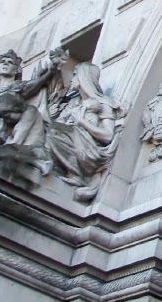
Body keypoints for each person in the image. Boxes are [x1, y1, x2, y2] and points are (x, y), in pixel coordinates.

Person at [45, 63, 126, 202]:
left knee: (52, 134)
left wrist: (82, 122)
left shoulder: (103, 103)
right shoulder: (73, 103)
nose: (72, 78)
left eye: (75, 74)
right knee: (46, 132)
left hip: (88, 151)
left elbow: (108, 135)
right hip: (70, 142)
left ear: (84, 77)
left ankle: (77, 175)